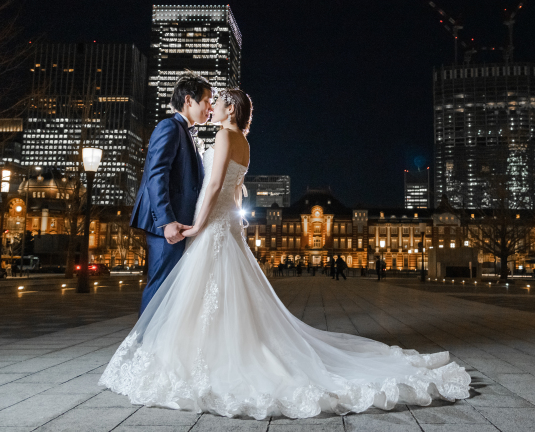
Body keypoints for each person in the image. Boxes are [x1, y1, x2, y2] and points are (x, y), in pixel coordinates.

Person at [100, 88, 470, 419]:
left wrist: (198, 225)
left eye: (217, 102)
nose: (211, 106)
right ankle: (214, 350)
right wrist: (229, 218)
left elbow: (215, 184)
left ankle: (190, 355)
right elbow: (237, 191)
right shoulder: (243, 140)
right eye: (207, 101)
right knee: (225, 295)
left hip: (212, 225)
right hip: (225, 224)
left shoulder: (226, 135)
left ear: (230, 109)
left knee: (201, 293)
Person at [130, 73, 213, 315]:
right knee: (161, 286)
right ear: (189, 100)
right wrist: (166, 221)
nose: (210, 107)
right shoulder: (169, 127)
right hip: (167, 224)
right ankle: (144, 346)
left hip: (180, 223)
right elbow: (157, 175)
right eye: (207, 101)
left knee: (171, 288)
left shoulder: (186, 132)